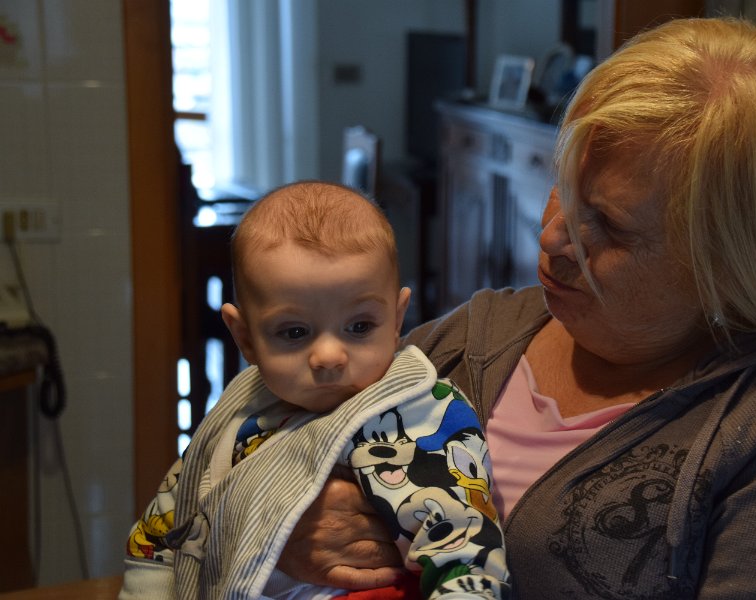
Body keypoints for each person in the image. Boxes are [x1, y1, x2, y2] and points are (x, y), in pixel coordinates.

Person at [269, 17, 756, 599]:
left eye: (610, 225)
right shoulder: (481, 333)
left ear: (734, 265)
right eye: (562, 187)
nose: (551, 236)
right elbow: (247, 452)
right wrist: (280, 529)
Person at [120, 181, 510, 599]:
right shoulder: (239, 415)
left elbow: (467, 551)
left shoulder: (421, 414)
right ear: (245, 337)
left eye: (359, 326)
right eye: (295, 332)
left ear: (397, 320)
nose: (329, 356)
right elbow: (163, 534)